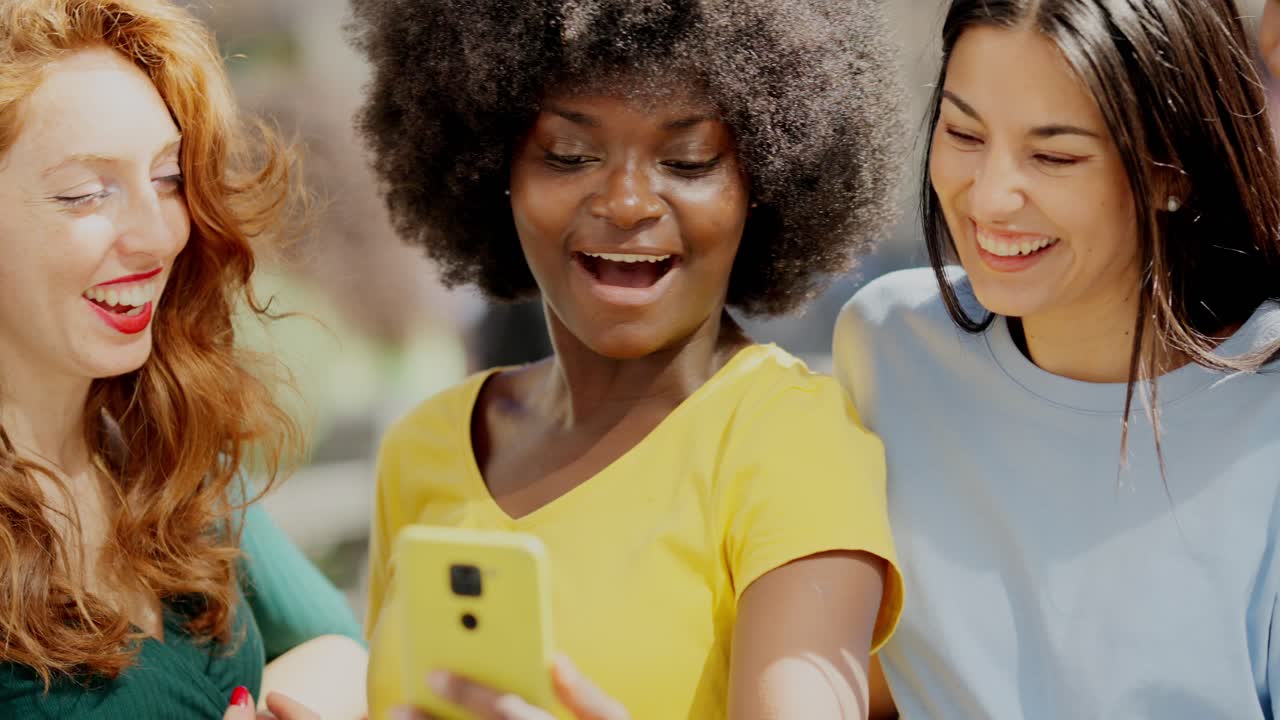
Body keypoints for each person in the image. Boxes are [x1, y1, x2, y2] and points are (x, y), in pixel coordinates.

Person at [347, 0, 907, 717]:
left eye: (689, 161)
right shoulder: (425, 447)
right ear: (492, 167)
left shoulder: (788, 442)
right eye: (571, 155)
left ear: (762, 186)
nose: (628, 201)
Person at [833, 0, 1280, 717]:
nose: (990, 196)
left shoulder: (1267, 416)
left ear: (1176, 171)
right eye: (962, 132)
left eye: (1055, 156)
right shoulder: (888, 345)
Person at [0, 1, 367, 717]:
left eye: (167, 178)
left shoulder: (159, 446)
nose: (159, 234)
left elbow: (337, 642)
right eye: (85, 193)